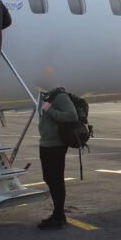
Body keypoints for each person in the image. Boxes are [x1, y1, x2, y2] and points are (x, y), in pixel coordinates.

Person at [38, 88, 78, 229]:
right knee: (49, 177)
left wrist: (50, 111)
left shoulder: (60, 96)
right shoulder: (47, 96)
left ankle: (59, 216)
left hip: (56, 144)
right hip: (46, 143)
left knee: (56, 179)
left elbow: (72, 116)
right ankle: (57, 214)